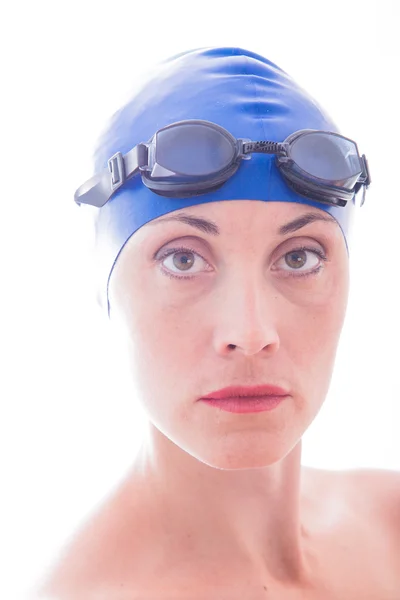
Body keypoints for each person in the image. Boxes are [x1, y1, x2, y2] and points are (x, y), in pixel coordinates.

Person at [36, 47, 399, 599]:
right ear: (106, 286)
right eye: (183, 259)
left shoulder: (390, 521)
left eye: (299, 257)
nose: (252, 333)